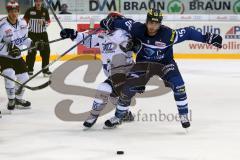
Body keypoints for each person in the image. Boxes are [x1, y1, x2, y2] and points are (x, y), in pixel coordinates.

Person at [100, 8, 223, 129]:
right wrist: (108, 23)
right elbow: (122, 22)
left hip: (165, 63)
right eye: (151, 22)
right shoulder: (136, 28)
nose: (153, 26)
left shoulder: (168, 34)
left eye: (156, 23)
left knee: (179, 85)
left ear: (160, 23)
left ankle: (183, 116)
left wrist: (208, 37)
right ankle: (118, 117)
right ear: (146, 21)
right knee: (127, 89)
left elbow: (188, 32)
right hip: (144, 64)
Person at [60, 12, 137, 128]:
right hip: (114, 75)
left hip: (127, 73)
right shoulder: (103, 37)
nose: (108, 22)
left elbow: (131, 34)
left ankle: (94, 117)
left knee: (104, 89)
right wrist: (73, 34)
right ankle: (125, 114)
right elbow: (88, 40)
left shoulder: (124, 34)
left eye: (111, 20)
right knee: (114, 95)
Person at [0, 1, 36, 110]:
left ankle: (18, 98)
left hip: (17, 56)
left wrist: (33, 44)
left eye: (15, 11)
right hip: (4, 57)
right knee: (9, 74)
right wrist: (9, 48)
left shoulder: (23, 23)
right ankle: (11, 99)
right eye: (11, 11)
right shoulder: (2, 25)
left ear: (18, 11)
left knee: (24, 77)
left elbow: (24, 39)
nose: (13, 14)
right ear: (8, 12)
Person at [24, 0, 52, 77]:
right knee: (31, 53)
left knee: (46, 52)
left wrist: (44, 23)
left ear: (42, 2)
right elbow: (24, 21)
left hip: (43, 34)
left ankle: (45, 70)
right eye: (37, 1)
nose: (38, 3)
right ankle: (29, 70)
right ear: (35, 2)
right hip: (32, 34)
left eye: (39, 1)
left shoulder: (45, 10)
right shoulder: (30, 10)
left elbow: (49, 21)